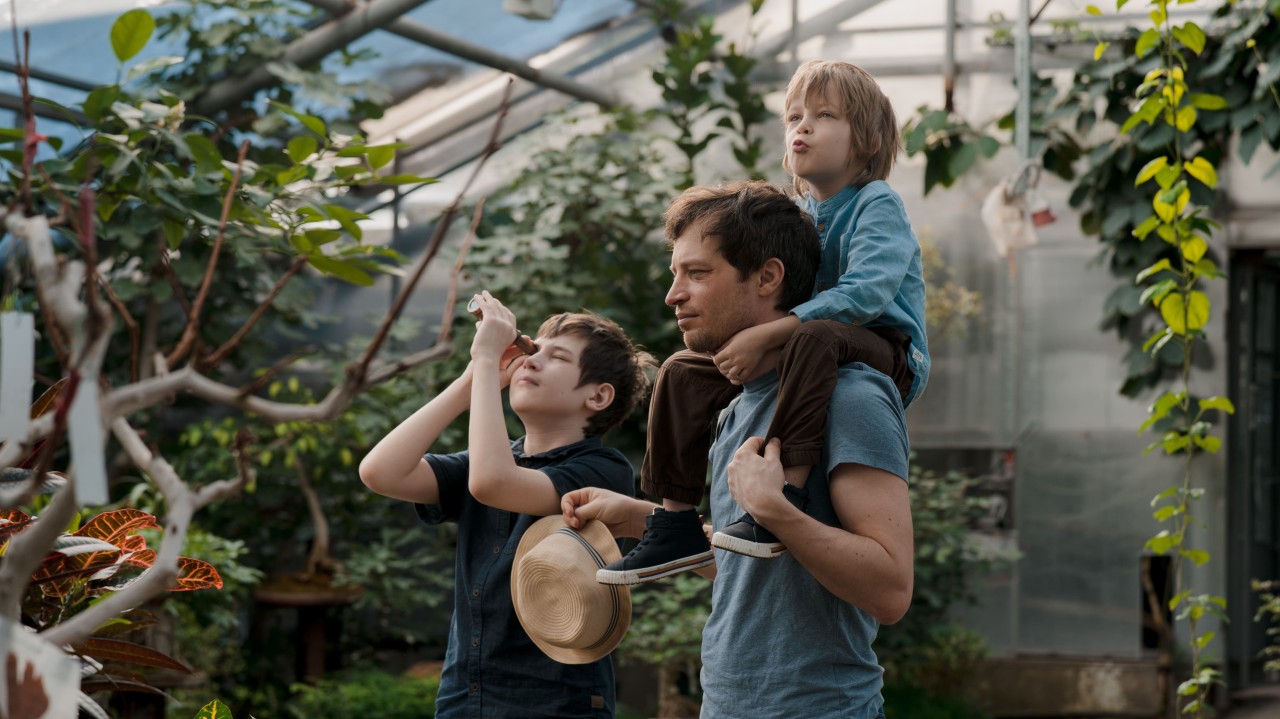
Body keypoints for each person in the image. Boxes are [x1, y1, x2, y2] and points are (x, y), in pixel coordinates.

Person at [564, 180, 914, 718]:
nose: (673, 294)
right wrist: (642, 517)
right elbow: (756, 569)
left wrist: (777, 511)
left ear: (768, 277)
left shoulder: (852, 397)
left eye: (697, 274)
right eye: (675, 272)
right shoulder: (735, 403)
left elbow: (891, 591)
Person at [598, 59, 928, 584]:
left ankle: (784, 491)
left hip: (886, 347)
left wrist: (771, 332)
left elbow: (866, 294)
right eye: (794, 116)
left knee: (815, 338)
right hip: (812, 345)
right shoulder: (803, 210)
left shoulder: (876, 203)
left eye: (823, 115)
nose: (802, 127)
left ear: (866, 138)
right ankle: (676, 522)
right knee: (684, 369)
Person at [359, 293, 655, 719]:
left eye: (555, 358)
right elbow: (380, 472)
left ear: (598, 396)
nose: (529, 361)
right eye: (533, 351)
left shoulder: (602, 469)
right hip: (466, 694)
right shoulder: (494, 458)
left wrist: (483, 362)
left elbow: (493, 483)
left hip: (555, 701)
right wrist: (471, 379)